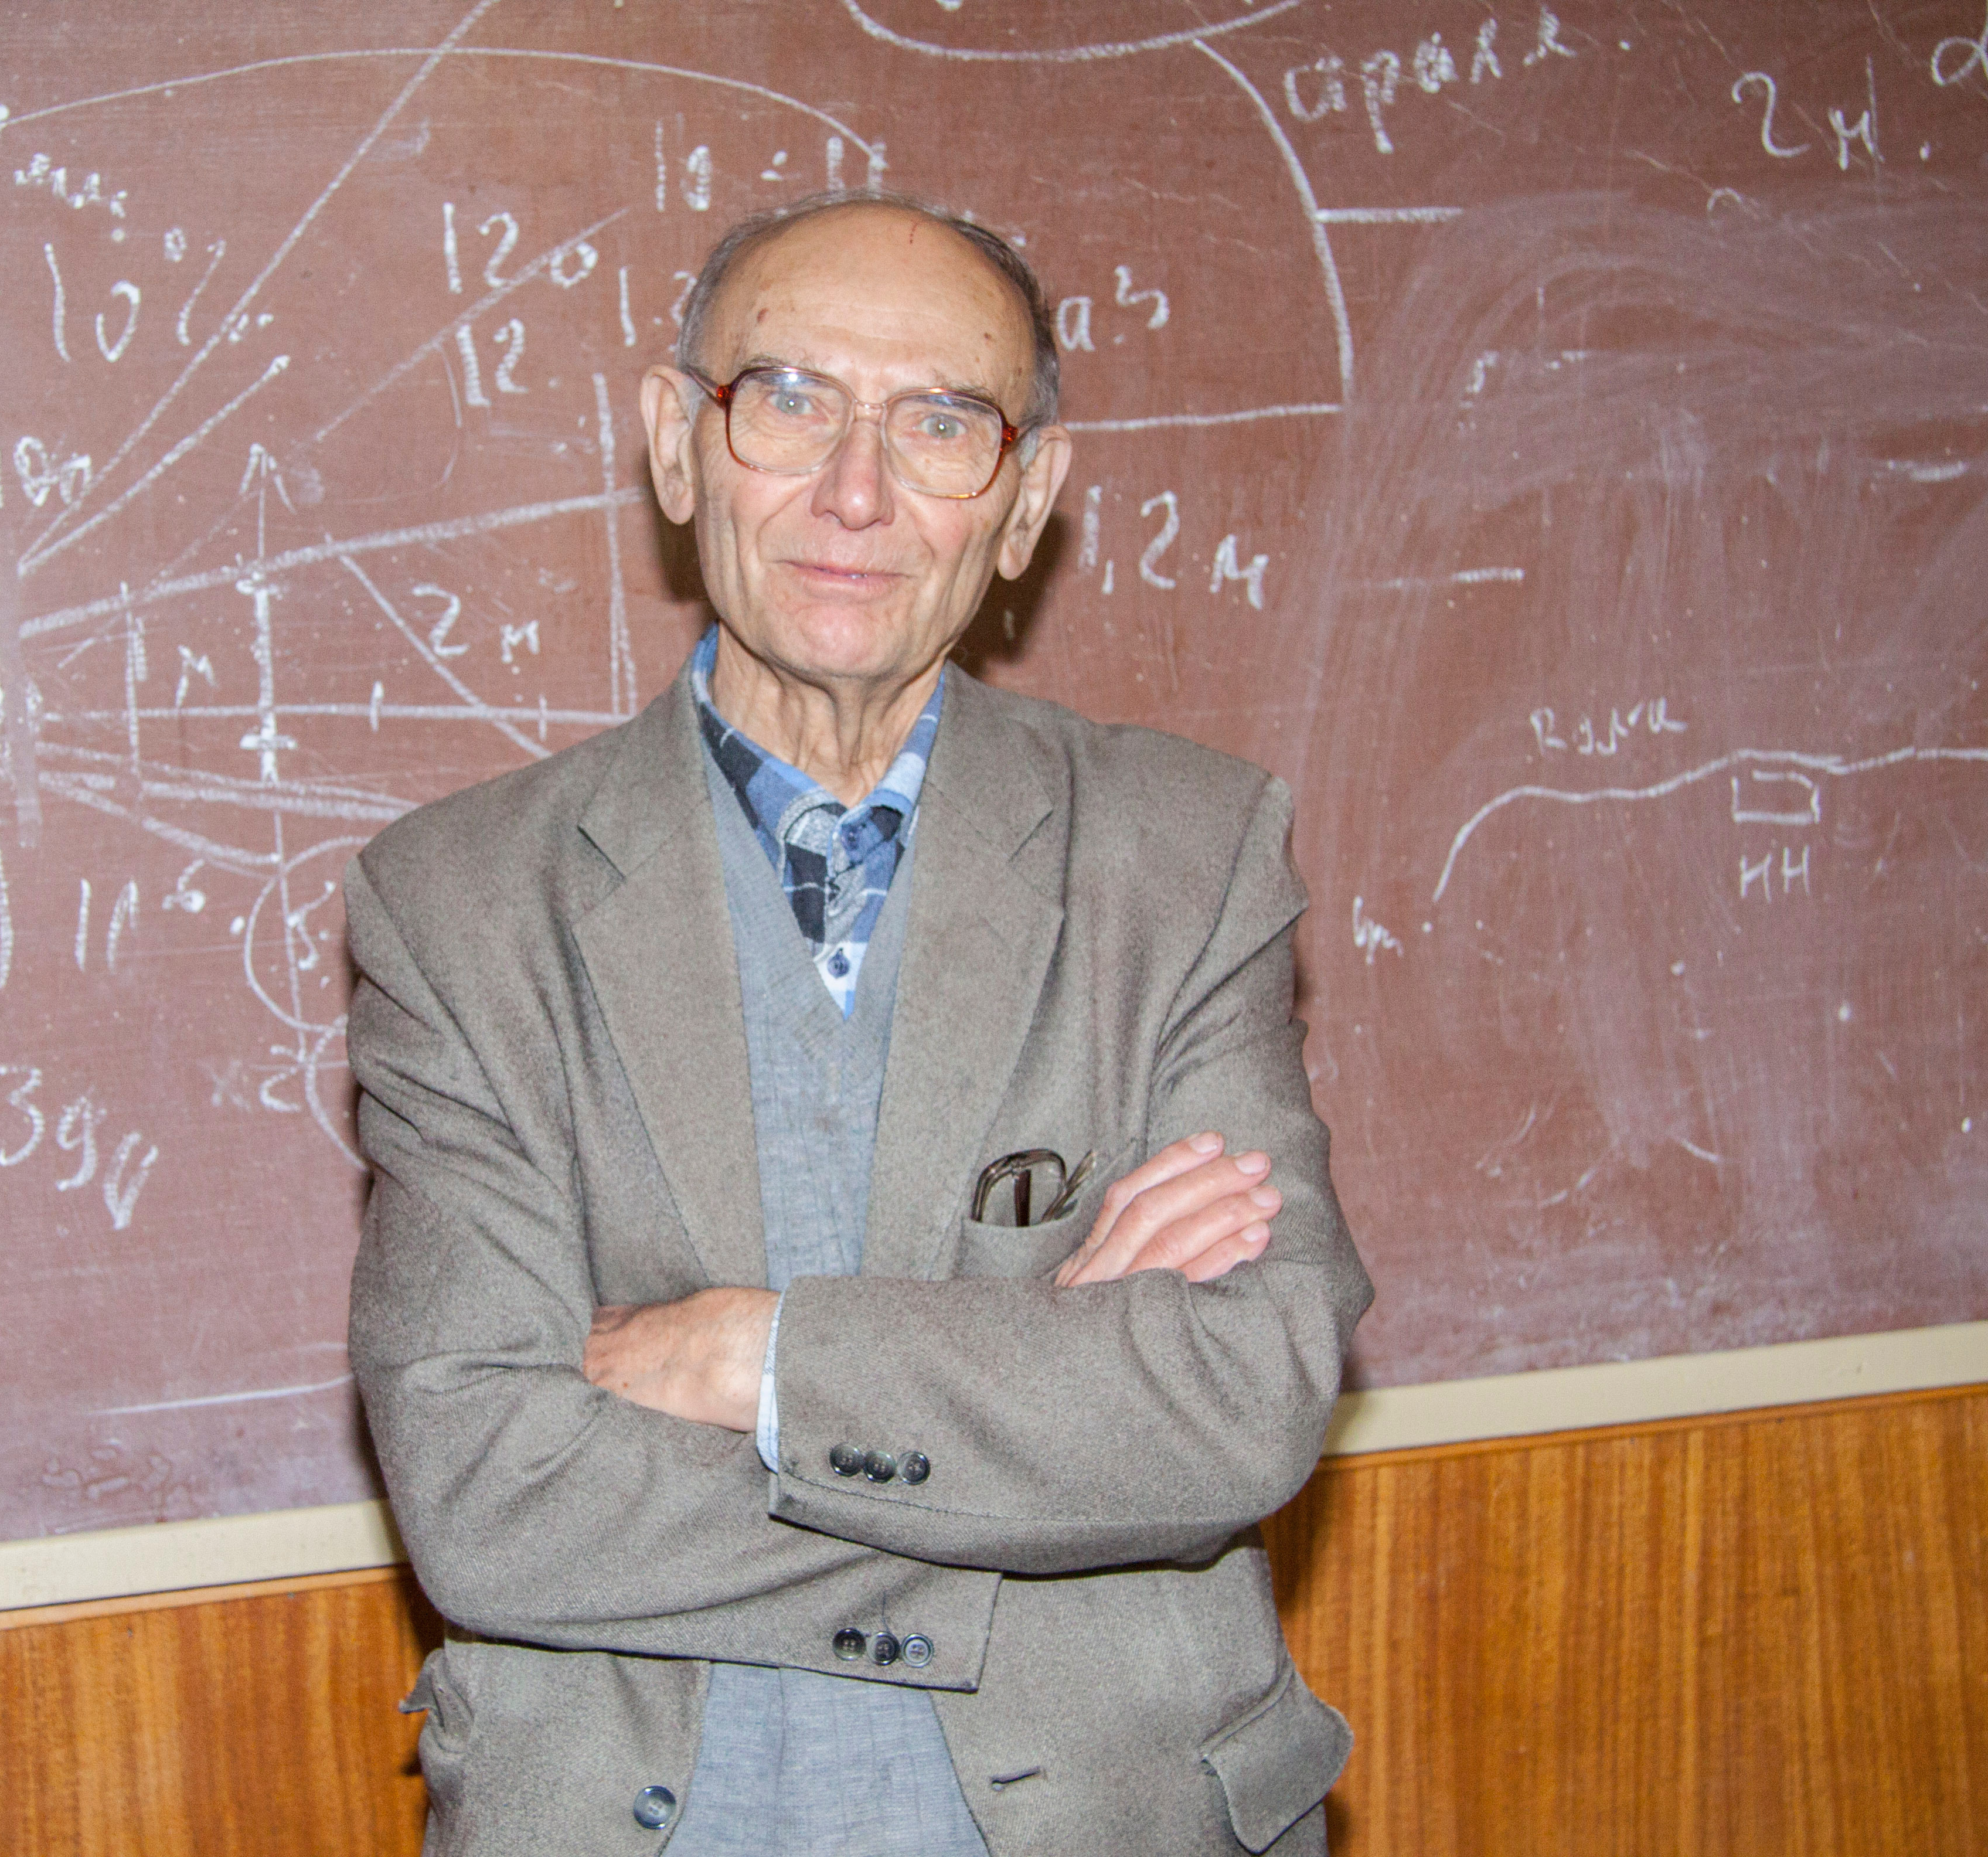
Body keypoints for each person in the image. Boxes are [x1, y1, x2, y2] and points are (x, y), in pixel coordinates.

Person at [345, 191, 1371, 1856]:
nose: (856, 491)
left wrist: (754, 1358)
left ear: (1026, 501)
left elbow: (1239, 1401)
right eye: (791, 399)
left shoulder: (1188, 857)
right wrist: (1042, 1428)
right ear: (677, 445)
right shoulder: (456, 904)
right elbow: (488, 1498)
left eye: (943, 422)